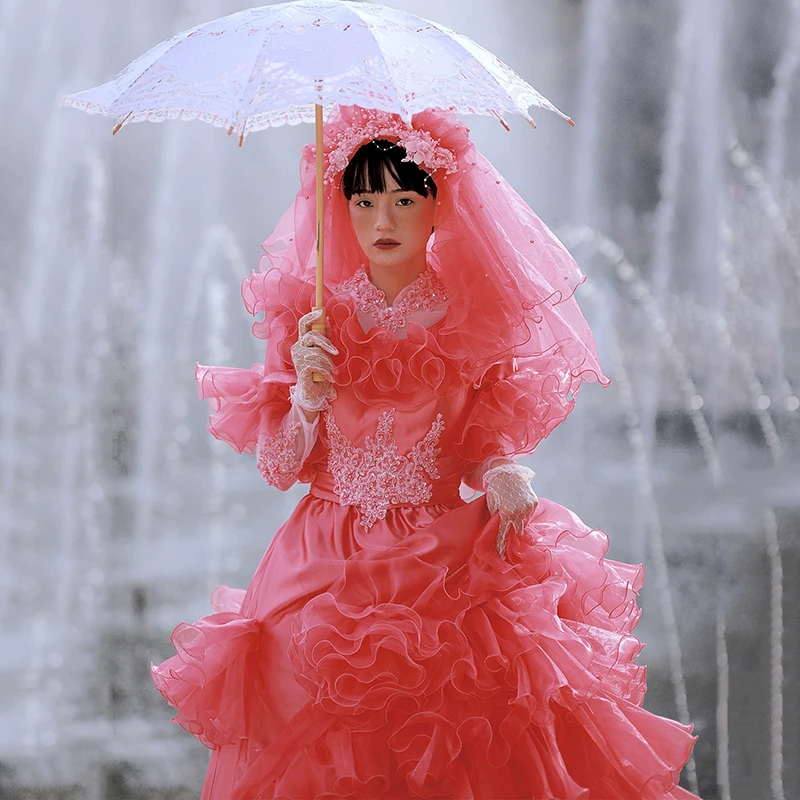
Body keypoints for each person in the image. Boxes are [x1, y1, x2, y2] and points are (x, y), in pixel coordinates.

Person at [151, 105, 700, 799]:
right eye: (364, 199)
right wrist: (306, 399)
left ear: (439, 206)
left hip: (439, 554)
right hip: (323, 560)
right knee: (326, 745)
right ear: (341, 207)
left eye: (404, 200)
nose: (382, 220)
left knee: (467, 738)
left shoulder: (476, 313)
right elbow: (277, 468)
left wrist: (502, 470)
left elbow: (485, 437)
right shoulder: (311, 315)